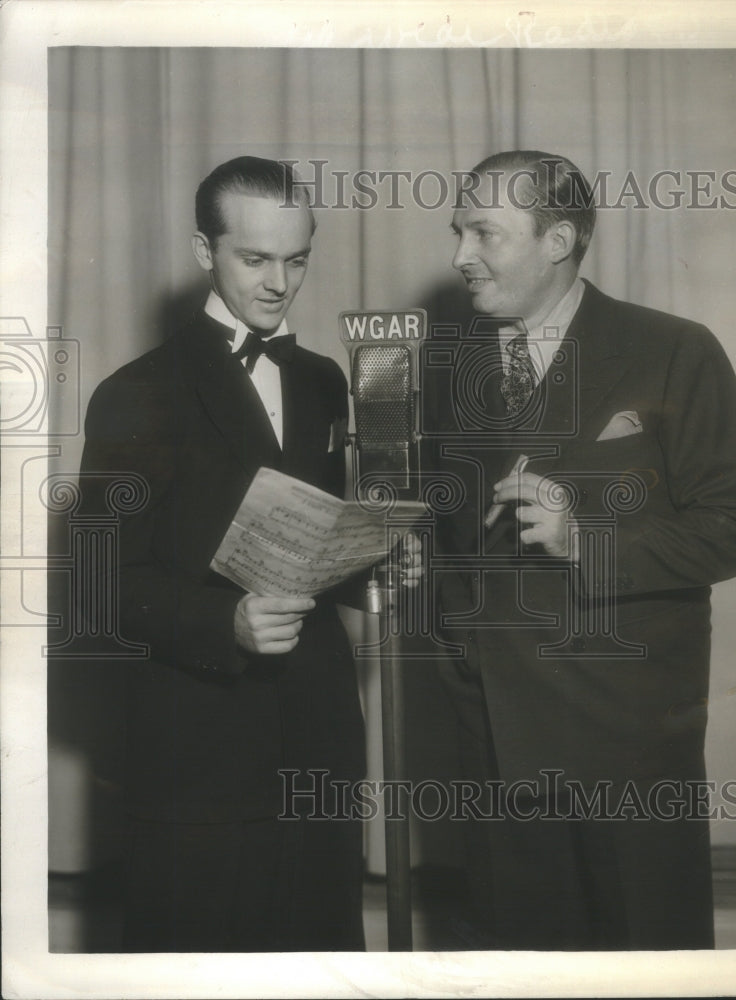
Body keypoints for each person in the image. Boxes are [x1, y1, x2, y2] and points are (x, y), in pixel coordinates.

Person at [79, 156, 419, 952]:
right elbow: (98, 585)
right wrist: (222, 621)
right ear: (205, 251)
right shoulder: (137, 390)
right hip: (196, 754)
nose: (279, 283)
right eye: (254, 258)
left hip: (319, 741)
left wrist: (381, 553)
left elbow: (320, 536)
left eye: (296, 260)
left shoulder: (326, 382)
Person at [423, 150, 736, 950]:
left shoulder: (675, 349)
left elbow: (734, 529)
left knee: (647, 958)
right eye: (457, 231)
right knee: (521, 962)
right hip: (495, 745)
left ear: (557, 238)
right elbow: (446, 535)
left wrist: (586, 540)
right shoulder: (443, 366)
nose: (460, 256)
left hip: (630, 749)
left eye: (483, 233)